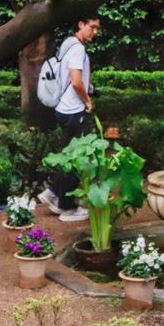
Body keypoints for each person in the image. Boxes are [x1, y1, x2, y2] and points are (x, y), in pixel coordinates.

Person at [37, 16, 100, 222]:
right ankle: (67, 208)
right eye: (92, 27)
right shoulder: (77, 49)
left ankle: (53, 193)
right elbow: (75, 81)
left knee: (68, 154)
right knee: (75, 159)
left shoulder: (67, 44)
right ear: (80, 24)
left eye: (97, 28)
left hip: (63, 108)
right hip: (73, 110)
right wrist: (87, 100)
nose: (95, 32)